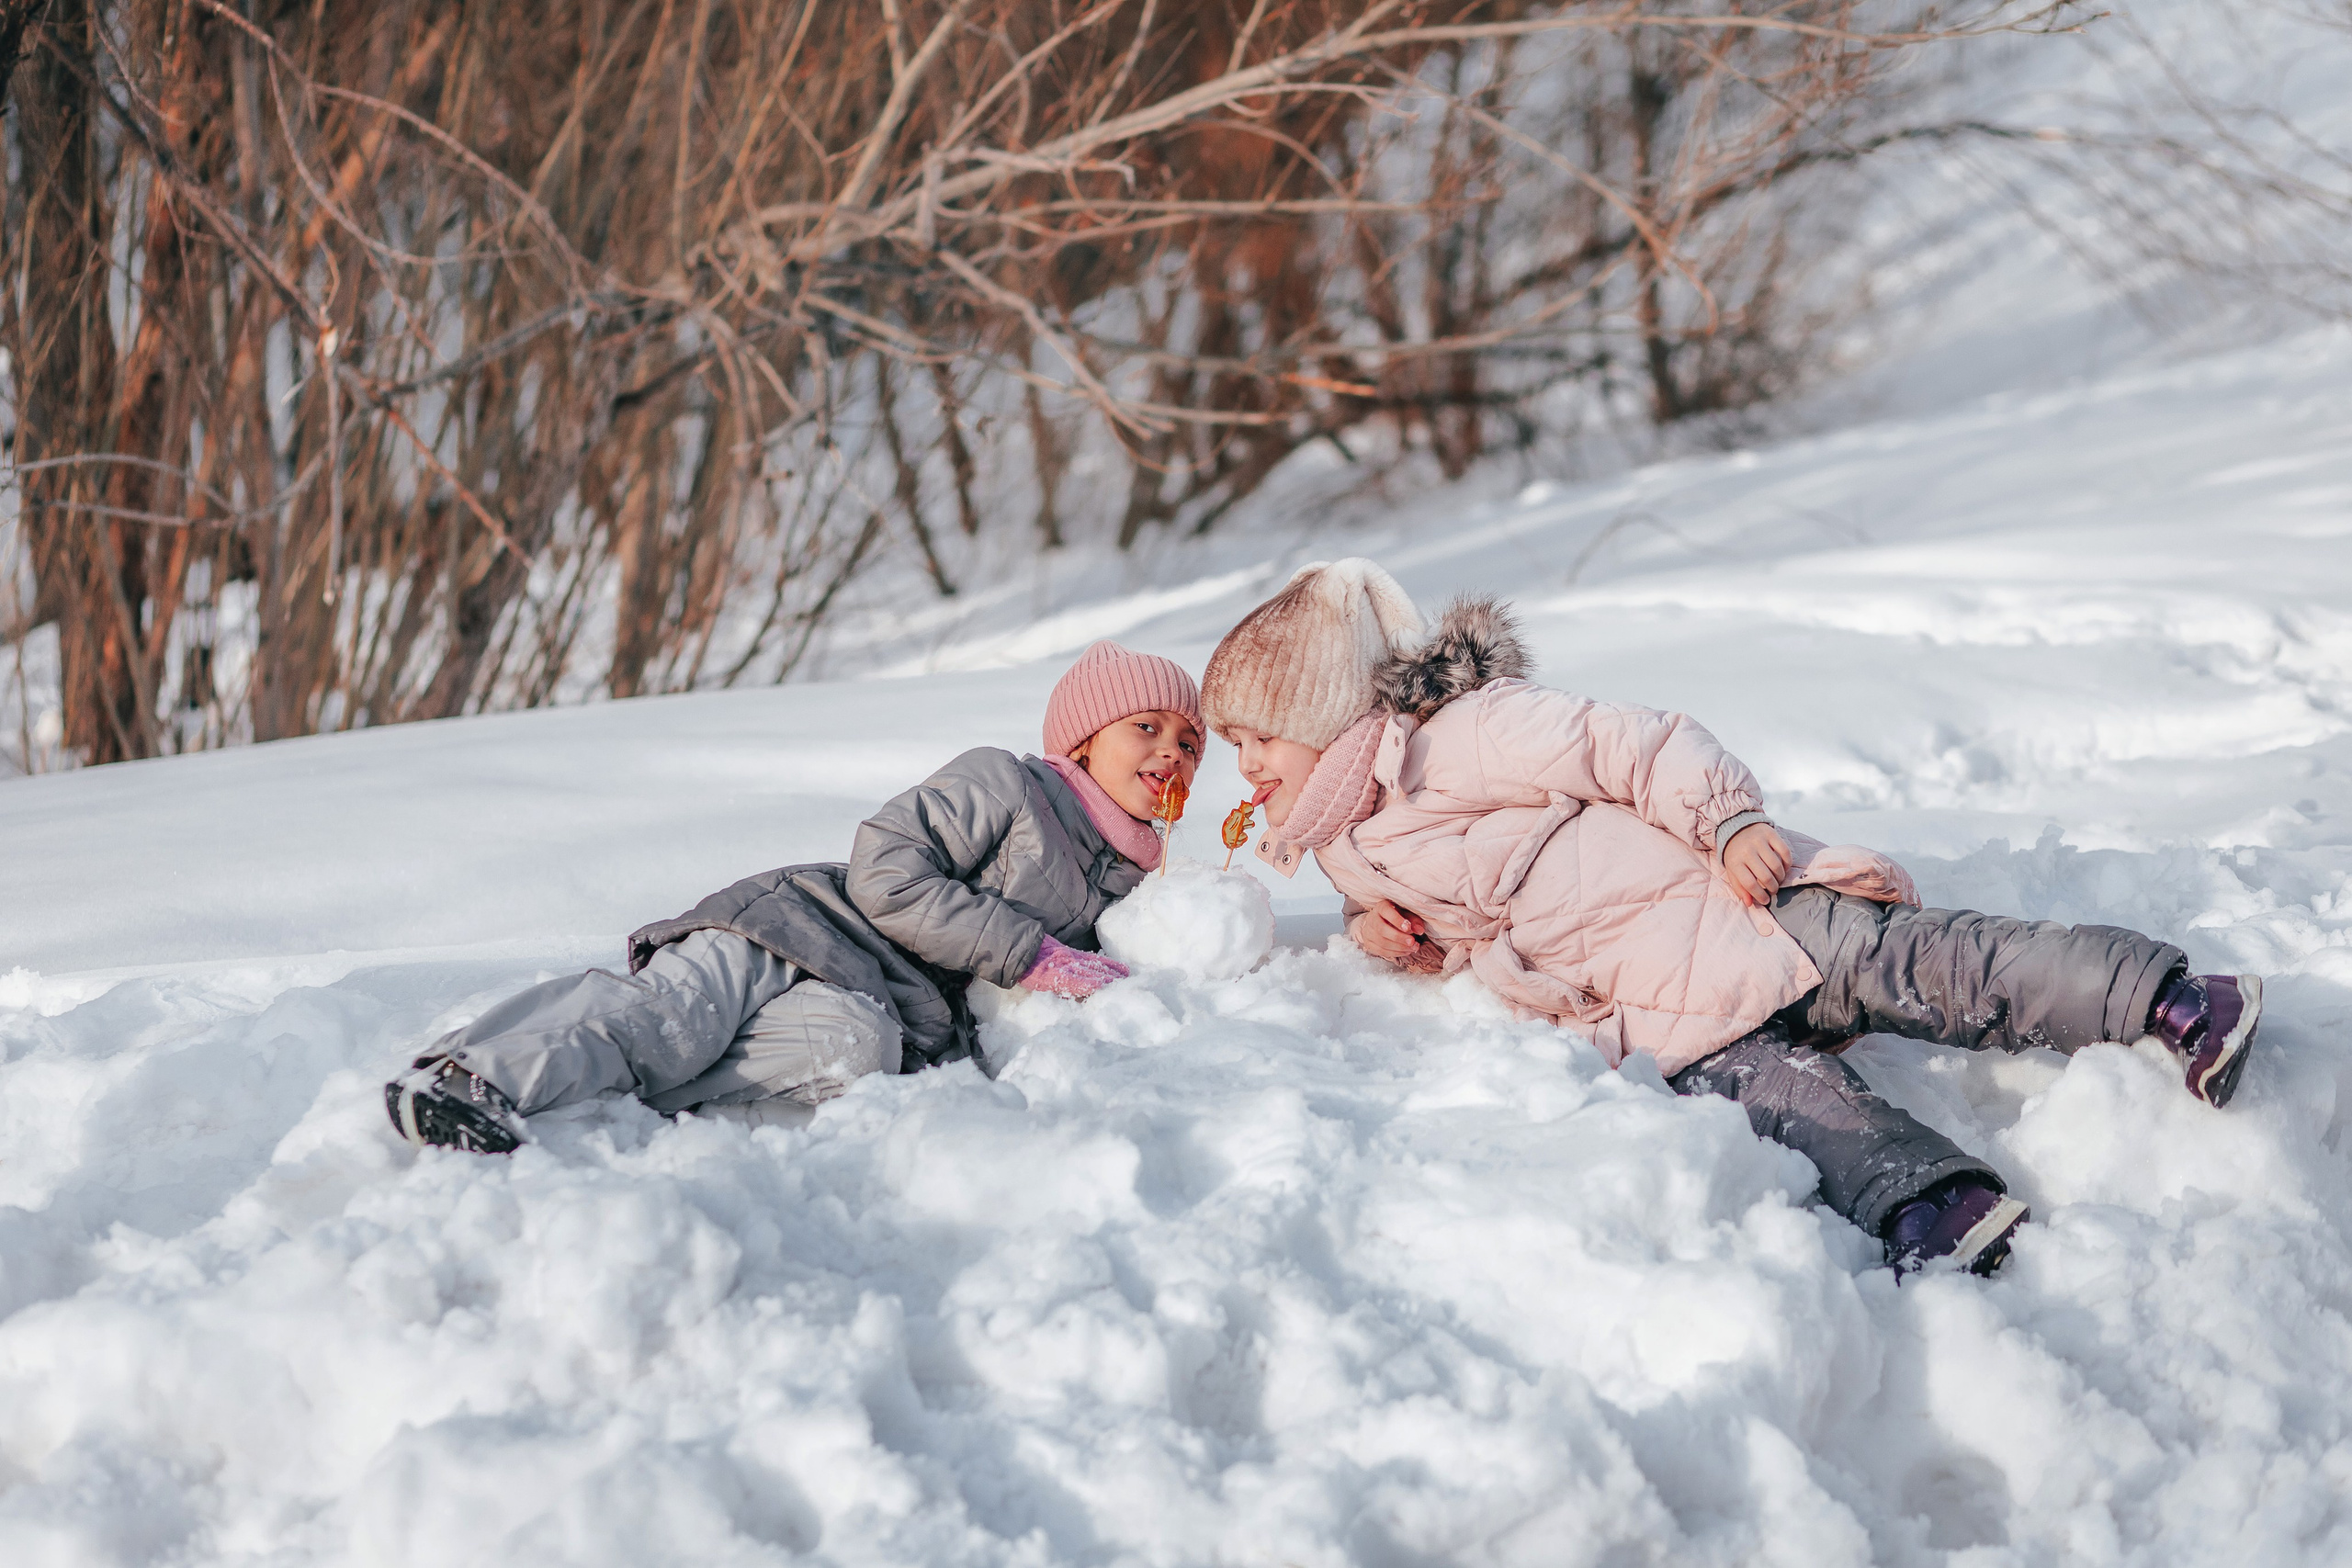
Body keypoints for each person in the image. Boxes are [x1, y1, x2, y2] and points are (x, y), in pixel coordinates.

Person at [1199, 559, 2262, 1277]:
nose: (1246, 769)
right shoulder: (1346, 838)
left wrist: (1728, 822)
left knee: (1937, 967)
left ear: (1327, 716)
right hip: (1654, 1011)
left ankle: (2171, 1000)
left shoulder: (1465, 735)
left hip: (1741, 910)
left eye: (1259, 741)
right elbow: (1427, 917)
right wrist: (1387, 935)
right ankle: (1932, 1205)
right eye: (1238, 749)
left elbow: (1641, 744)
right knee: (1787, 1108)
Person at [386, 640, 1202, 1153]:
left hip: (880, 1005)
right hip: (798, 929)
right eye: (1148, 727)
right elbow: (886, 869)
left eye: (1191, 742)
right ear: (1084, 740)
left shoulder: (1131, 888)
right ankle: (469, 1074)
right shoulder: (1009, 784)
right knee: (672, 1022)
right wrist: (1031, 954)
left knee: (854, 1056)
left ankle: (587, 1104)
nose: (1173, 750)